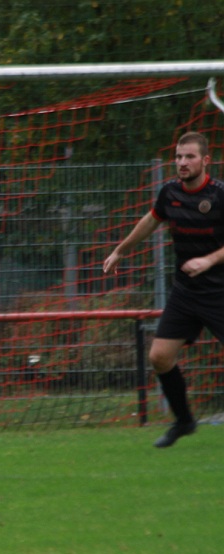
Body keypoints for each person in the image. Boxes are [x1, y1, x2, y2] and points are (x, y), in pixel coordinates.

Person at [103, 130, 224, 448]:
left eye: (190, 157)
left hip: (220, 292)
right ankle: (184, 421)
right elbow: (150, 220)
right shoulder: (169, 192)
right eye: (178, 157)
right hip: (186, 293)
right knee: (159, 357)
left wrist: (209, 260)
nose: (182, 162)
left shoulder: (220, 195)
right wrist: (120, 251)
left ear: (206, 160)